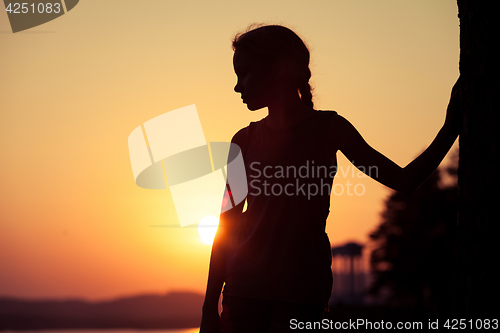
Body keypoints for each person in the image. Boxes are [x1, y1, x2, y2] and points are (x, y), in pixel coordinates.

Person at [200, 24, 461, 333]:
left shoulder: (330, 129)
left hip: (299, 297)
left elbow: (404, 180)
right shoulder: (242, 140)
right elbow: (225, 227)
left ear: (278, 68)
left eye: (244, 73)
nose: (237, 86)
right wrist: (208, 308)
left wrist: (450, 129)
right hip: (242, 296)